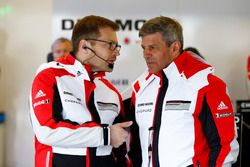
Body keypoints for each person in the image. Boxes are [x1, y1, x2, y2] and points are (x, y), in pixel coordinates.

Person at [127, 16, 239, 167]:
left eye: (152, 47)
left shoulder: (206, 84)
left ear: (174, 47)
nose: (146, 54)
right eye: (144, 48)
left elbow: (224, 147)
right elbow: (135, 148)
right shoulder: (141, 87)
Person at [29, 15, 132, 167]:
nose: (116, 52)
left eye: (117, 46)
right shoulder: (50, 76)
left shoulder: (110, 91)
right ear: (84, 46)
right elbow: (46, 130)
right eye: (110, 45)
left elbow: (119, 148)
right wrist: (105, 135)